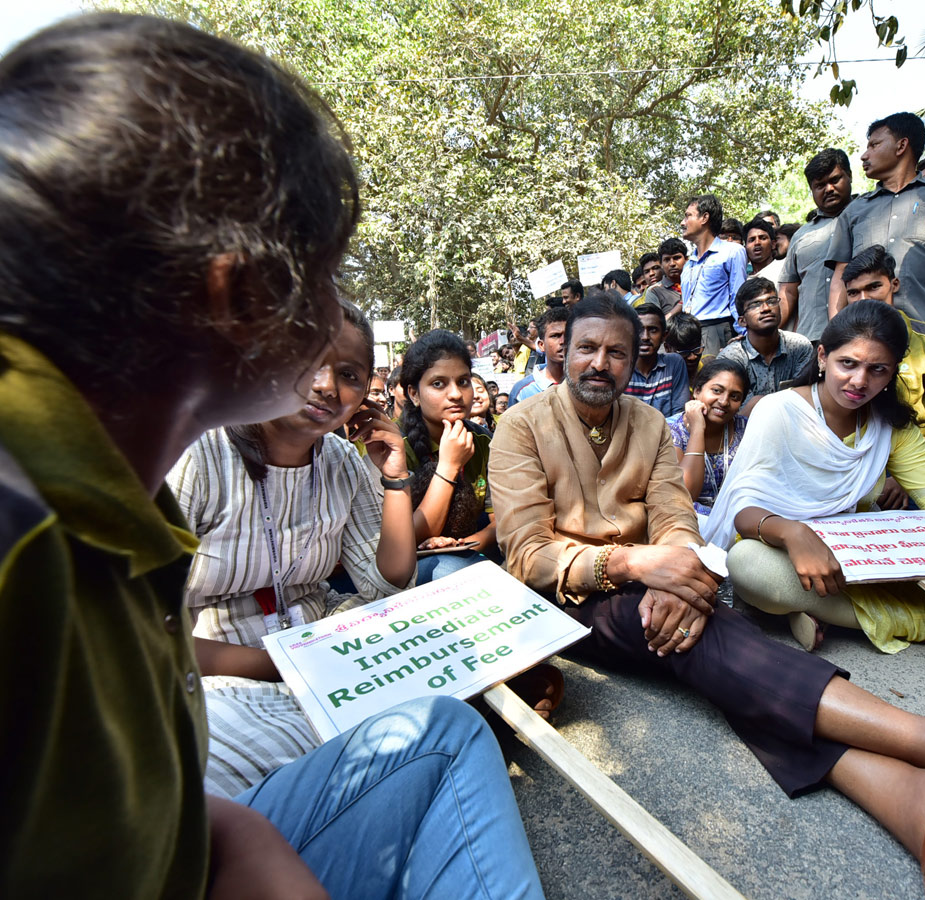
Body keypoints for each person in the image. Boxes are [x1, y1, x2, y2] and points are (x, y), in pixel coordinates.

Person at [0, 13, 545, 898]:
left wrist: (235, 841)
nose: (337, 367)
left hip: (277, 722)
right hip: (271, 690)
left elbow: (152, 810)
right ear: (240, 295)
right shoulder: (23, 549)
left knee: (440, 731)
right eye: (325, 278)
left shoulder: (122, 493)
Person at [488, 293, 925, 900]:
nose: (600, 364)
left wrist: (679, 567)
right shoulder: (520, 426)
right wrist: (641, 564)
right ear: (561, 350)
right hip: (570, 601)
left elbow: (678, 516)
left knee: (727, 668)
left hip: (660, 576)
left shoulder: (649, 424)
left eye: (616, 352)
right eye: (587, 348)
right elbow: (529, 554)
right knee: (717, 636)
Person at [706, 300, 925, 652]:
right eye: (848, 364)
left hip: (860, 559)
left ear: (893, 371)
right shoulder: (779, 410)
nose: (859, 381)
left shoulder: (889, 425)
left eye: (878, 369)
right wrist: (793, 533)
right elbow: (744, 512)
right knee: (750, 567)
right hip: (784, 550)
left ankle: (822, 611)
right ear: (823, 357)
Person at [169, 302, 417, 649]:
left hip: (319, 642)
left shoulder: (342, 460)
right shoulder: (197, 453)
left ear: (363, 396)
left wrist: (395, 479)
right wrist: (286, 666)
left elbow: (384, 587)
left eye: (349, 375)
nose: (327, 386)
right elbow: (139, 626)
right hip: (207, 669)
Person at [827, 113, 925, 334]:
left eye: (874, 145)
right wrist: (837, 331)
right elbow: (841, 276)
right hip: (869, 335)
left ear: (901, 145)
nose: (864, 156)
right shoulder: (854, 210)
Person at [842, 246, 925, 461]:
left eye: (873, 287)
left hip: (914, 457)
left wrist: (903, 478)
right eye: (853, 292)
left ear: (894, 284)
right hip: (854, 460)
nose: (863, 299)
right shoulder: (838, 344)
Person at [400, 331, 496, 585]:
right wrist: (449, 465)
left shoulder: (484, 442)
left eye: (463, 381)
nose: (455, 394)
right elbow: (404, 541)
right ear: (414, 394)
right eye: (438, 384)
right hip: (408, 567)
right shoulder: (396, 448)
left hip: (468, 554)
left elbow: (500, 524)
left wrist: (461, 546)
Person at [779, 149, 854, 340]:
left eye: (835, 180)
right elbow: (788, 292)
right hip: (810, 338)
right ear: (812, 190)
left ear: (850, 176)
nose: (829, 189)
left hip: (859, 334)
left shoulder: (868, 217)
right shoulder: (801, 235)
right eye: (820, 185)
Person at [717, 276, 814, 415]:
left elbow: (806, 399)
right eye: (755, 305)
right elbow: (733, 413)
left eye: (771, 301)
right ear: (742, 321)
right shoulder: (731, 357)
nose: (766, 308)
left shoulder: (800, 347)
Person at [667, 359, 751, 515]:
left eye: (734, 397)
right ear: (697, 391)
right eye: (717, 391)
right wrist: (697, 429)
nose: (724, 401)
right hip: (688, 518)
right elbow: (686, 495)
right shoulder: (672, 431)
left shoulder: (745, 429)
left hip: (737, 517)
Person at [680, 194, 748, 360]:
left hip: (716, 330)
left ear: (704, 218)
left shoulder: (732, 251)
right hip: (688, 334)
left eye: (688, 216)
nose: (683, 223)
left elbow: (738, 296)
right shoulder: (689, 264)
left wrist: (745, 333)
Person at [624, 301, 690, 417]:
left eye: (653, 330)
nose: (645, 337)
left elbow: (679, 415)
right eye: (639, 330)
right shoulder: (621, 367)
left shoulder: (674, 363)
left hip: (667, 434)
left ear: (664, 336)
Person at [509, 306, 569, 406]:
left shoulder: (588, 385)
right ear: (541, 345)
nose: (563, 341)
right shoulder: (521, 392)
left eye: (568, 335)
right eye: (555, 336)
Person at [664, 311, 704, 385]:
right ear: (667, 348)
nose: (693, 357)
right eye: (684, 352)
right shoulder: (663, 381)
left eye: (697, 349)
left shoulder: (708, 372)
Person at [744, 217, 785, 286]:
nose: (757, 242)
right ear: (745, 247)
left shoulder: (785, 268)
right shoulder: (742, 279)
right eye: (752, 240)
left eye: (763, 238)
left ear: (773, 244)